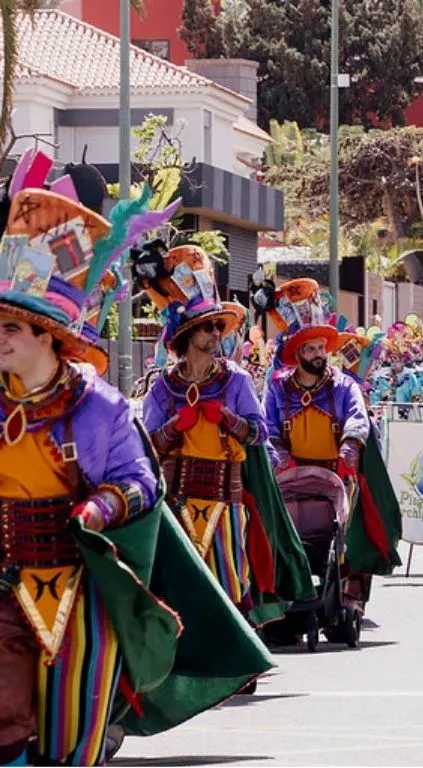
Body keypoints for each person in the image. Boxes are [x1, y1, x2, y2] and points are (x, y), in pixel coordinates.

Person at [0, 167, 269, 765]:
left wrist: (101, 506)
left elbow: (139, 479)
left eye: (11, 326)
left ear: (48, 334)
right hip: (4, 583)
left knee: (75, 743)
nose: (0, 337)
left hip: (87, 591)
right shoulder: (159, 390)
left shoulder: (99, 406)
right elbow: (159, 444)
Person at [140, 247, 275, 617]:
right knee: (175, 587)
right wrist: (174, 427)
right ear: (187, 333)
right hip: (178, 499)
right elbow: (148, 447)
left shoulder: (236, 381)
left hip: (226, 499)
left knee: (230, 583)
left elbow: (260, 433)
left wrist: (228, 420)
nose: (217, 332)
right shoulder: (162, 388)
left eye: (219, 326)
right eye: (208, 326)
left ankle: (238, 666)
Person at [263, 279, 403, 624]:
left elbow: (358, 418)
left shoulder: (343, 385)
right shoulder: (279, 388)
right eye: (309, 350)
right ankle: (287, 596)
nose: (317, 355)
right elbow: (267, 425)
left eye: (320, 348)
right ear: (297, 354)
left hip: (340, 474)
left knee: (350, 535)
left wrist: (350, 448)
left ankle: (349, 597)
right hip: (292, 476)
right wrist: (280, 456)